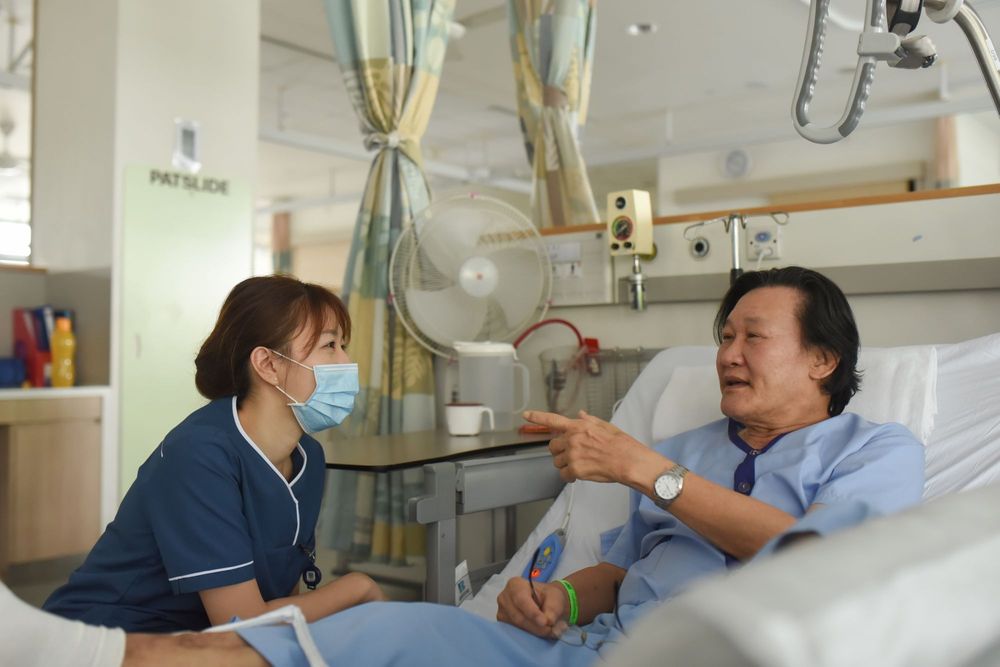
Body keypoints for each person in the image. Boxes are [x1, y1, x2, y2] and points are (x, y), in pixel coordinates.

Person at [226, 266, 926, 667]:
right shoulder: (690, 447)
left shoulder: (876, 451)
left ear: (822, 359)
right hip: (587, 650)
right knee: (376, 632)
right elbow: (621, 574)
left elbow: (815, 557)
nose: (728, 352)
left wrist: (650, 473)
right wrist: (552, 600)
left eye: (754, 337)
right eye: (724, 336)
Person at [43, 275, 385, 633]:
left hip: (203, 642)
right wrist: (357, 586)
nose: (346, 362)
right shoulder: (199, 454)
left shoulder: (307, 458)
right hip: (111, 636)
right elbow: (241, 622)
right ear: (268, 365)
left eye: (343, 345)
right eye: (330, 345)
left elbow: (283, 604)